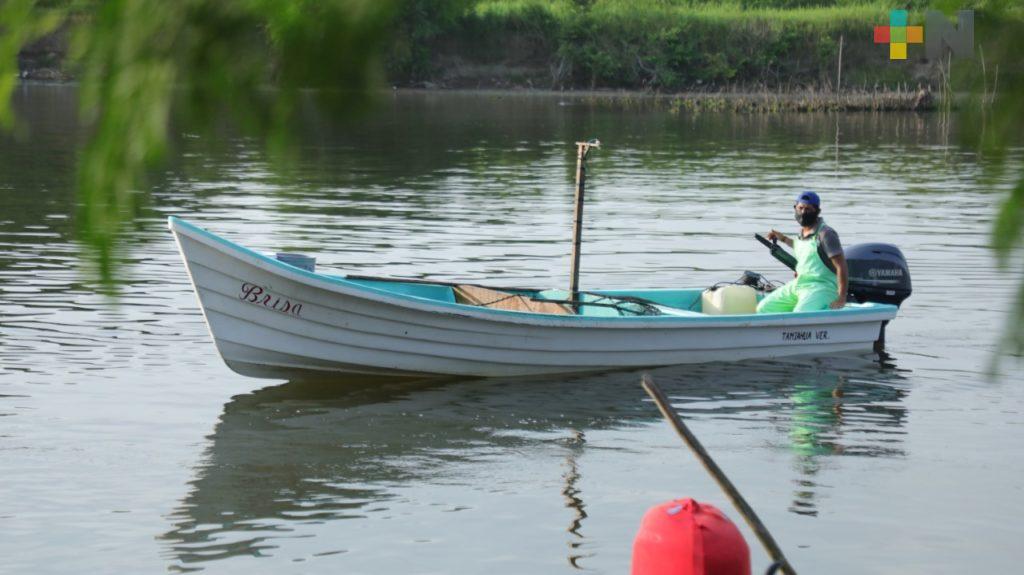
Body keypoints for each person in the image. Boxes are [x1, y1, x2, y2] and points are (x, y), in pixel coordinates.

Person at [756, 191, 848, 313]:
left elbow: (841, 266)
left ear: (817, 211)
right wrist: (782, 238)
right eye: (800, 208)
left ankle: (823, 312)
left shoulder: (826, 234)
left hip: (822, 287)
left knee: (799, 314)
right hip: (799, 284)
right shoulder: (801, 234)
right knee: (764, 308)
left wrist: (841, 298)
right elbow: (801, 247)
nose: (803, 212)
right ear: (795, 208)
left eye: (808, 209)